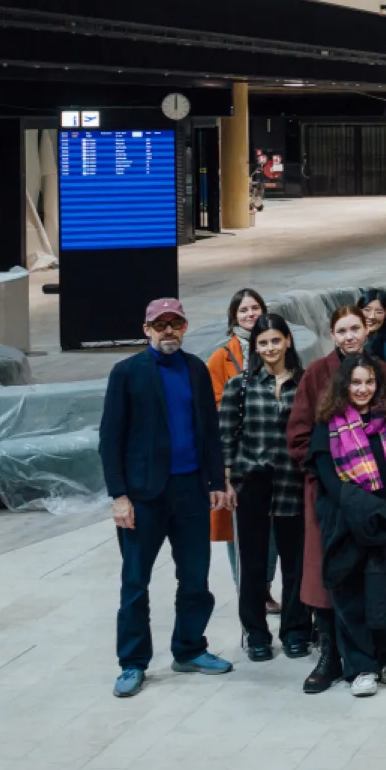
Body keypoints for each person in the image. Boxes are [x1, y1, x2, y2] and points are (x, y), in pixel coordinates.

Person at [100, 297, 234, 698]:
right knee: (136, 583)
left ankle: (190, 648)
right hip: (144, 496)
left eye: (175, 323)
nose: (168, 331)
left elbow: (209, 432)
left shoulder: (195, 369)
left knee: (195, 578)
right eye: (161, 325)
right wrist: (119, 496)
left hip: (190, 491)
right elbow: (110, 439)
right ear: (147, 330)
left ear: (185, 326)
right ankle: (132, 663)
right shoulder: (127, 373)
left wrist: (215, 481)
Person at [286, 302, 384, 695]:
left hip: (375, 492)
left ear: (366, 330)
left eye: (355, 329)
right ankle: (330, 653)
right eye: (341, 330)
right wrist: (331, 472)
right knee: (329, 573)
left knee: (374, 571)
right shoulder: (315, 374)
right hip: (329, 493)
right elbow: (299, 436)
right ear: (332, 334)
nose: (349, 337)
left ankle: (376, 652)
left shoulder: (381, 372)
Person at [310, 354, 386, 696]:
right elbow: (329, 480)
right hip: (349, 521)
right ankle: (360, 667)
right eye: (355, 382)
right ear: (344, 385)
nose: (363, 389)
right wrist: (368, 509)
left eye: (369, 382)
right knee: (352, 595)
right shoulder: (330, 422)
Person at [218, 310, 307, 663]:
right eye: (263, 342)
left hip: (292, 481)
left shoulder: (304, 383)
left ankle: (296, 630)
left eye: (276, 340)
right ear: (255, 346)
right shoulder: (239, 385)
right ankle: (256, 633)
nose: (270, 347)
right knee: (252, 564)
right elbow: (227, 437)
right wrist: (228, 480)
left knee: (295, 563)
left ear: (287, 341)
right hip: (252, 483)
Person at [205, 288, 267, 567]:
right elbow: (213, 402)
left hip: (268, 451)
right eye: (243, 310)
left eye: (254, 308)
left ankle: (264, 587)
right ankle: (244, 588)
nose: (250, 314)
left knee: (272, 526)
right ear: (233, 317)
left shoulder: (273, 346)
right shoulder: (221, 356)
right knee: (237, 526)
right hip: (237, 454)